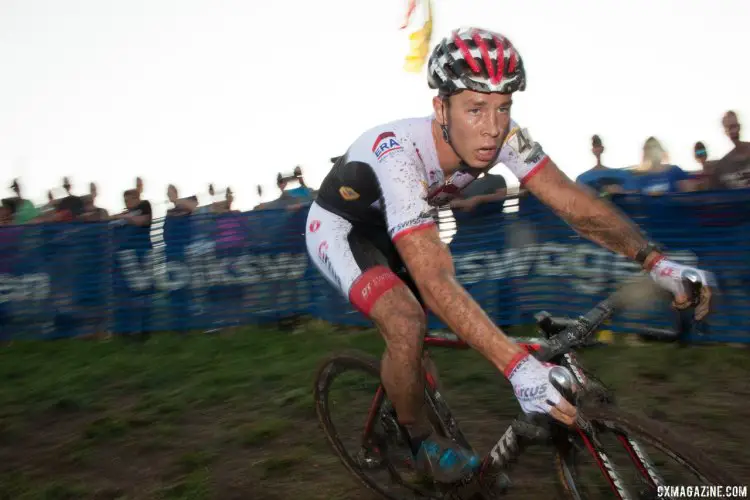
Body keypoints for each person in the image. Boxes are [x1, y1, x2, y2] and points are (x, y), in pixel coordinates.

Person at [304, 27, 714, 484]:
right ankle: (419, 443)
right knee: (406, 322)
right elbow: (435, 277)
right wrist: (516, 367)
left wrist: (654, 262)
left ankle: (411, 386)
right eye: (475, 108)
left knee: (421, 342)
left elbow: (568, 199)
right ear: (441, 108)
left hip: (403, 224)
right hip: (344, 230)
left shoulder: (505, 138)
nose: (493, 127)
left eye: (503, 107)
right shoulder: (397, 153)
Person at [711, 111, 750, 189]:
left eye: (734, 126)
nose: (732, 131)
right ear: (725, 132)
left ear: (739, 127)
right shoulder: (722, 167)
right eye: (728, 128)